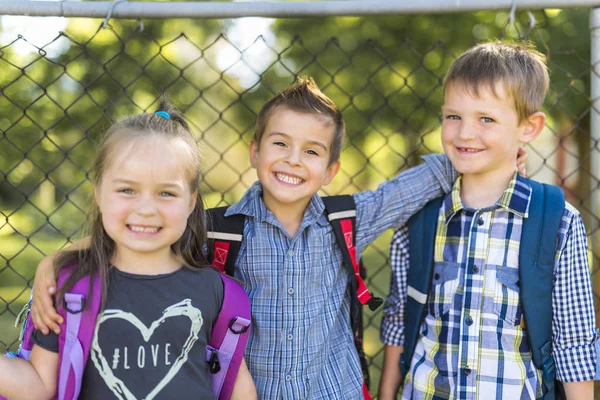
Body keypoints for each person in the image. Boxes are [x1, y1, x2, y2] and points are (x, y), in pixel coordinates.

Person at [30, 78, 523, 399]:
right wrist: (53, 264)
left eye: (311, 152)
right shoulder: (217, 228)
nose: (292, 159)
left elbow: (422, 180)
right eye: (280, 144)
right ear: (254, 150)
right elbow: (139, 237)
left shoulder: (346, 220)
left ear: (330, 170)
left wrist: (493, 151)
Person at [378, 41, 597, 400]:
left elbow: (573, 340)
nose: (464, 133)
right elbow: (399, 320)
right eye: (453, 116)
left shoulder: (557, 223)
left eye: (486, 119)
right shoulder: (420, 221)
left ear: (529, 127)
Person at [0, 101, 256, 400]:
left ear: (190, 202)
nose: (146, 209)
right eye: (127, 190)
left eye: (166, 193)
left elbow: (238, 387)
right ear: (98, 193)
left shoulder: (216, 290)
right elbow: (40, 386)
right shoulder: (72, 288)